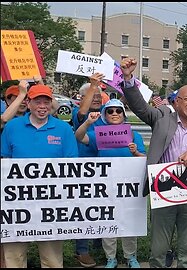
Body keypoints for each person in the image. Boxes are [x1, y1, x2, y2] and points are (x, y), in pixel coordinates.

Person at [120, 57, 187, 268]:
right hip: (164, 192)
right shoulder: (161, 118)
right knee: (159, 252)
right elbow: (141, 108)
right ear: (176, 101)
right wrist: (127, 78)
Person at [1, 84, 78, 268]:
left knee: (52, 259)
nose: (42, 106)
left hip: (51, 204)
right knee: (14, 257)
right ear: (28, 103)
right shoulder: (12, 127)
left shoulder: (63, 129)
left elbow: (73, 166)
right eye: (37, 102)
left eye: (46, 102)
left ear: (51, 104)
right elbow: (5, 160)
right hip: (17, 204)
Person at [75, 99, 145, 268]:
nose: (114, 114)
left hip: (129, 186)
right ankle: (110, 258)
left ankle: (131, 257)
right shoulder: (99, 133)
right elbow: (79, 137)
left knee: (129, 221)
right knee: (109, 221)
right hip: (106, 184)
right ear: (105, 115)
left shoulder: (134, 135)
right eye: (110, 111)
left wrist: (136, 152)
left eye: (118, 111)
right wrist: (89, 122)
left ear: (123, 114)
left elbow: (144, 159)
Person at [71, 73, 106, 268]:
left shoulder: (107, 114)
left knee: (102, 206)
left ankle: (100, 244)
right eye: (92, 96)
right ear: (82, 99)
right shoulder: (81, 116)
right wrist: (93, 86)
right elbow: (83, 114)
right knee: (84, 209)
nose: (96, 99)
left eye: (99, 96)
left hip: (105, 169)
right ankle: (82, 250)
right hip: (85, 169)